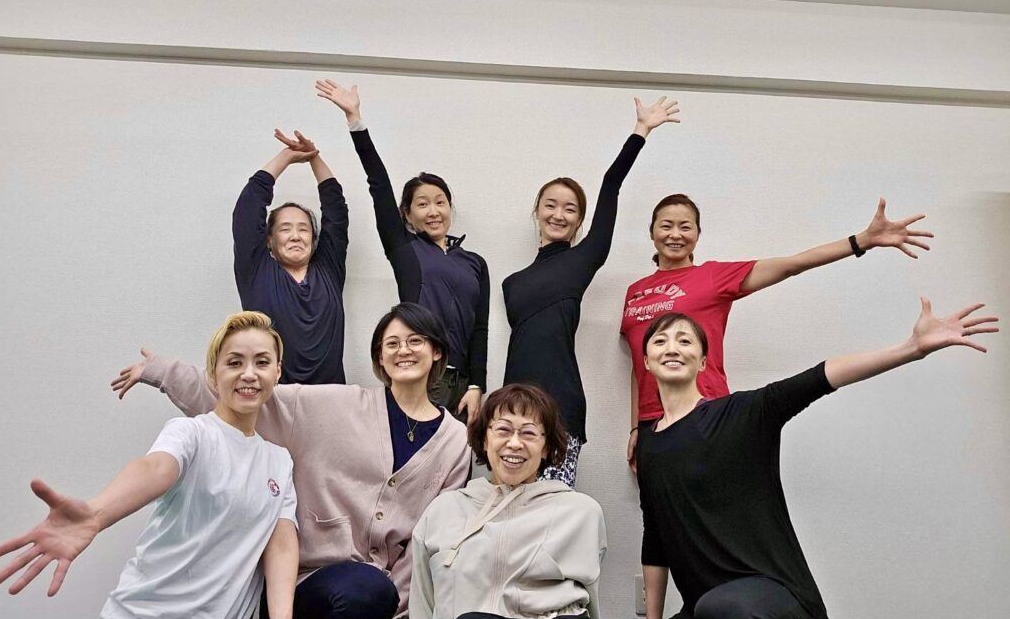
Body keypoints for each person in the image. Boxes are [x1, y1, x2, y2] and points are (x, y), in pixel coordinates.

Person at [634, 300, 998, 619]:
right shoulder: (648, 445)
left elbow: (820, 377)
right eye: (660, 341)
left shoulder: (740, 415)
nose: (673, 348)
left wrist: (911, 348)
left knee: (724, 612)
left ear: (703, 361)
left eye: (685, 341)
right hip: (703, 613)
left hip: (780, 606)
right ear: (647, 361)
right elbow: (656, 538)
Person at [112, 302, 471, 619]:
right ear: (380, 356)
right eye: (392, 343)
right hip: (307, 579)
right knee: (364, 590)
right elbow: (251, 394)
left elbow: (429, 539)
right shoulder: (336, 404)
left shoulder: (456, 441)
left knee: (373, 593)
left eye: (415, 341)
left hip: (382, 592)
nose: (403, 351)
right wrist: (163, 371)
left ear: (437, 351)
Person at [0, 312, 308, 619]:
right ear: (213, 373)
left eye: (262, 362)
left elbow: (281, 545)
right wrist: (96, 513)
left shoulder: (279, 461)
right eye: (234, 362)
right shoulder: (191, 433)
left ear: (277, 372)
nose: (249, 373)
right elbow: (155, 469)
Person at [623, 194, 934, 471]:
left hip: (706, 413)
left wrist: (861, 241)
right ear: (652, 232)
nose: (675, 234)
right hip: (653, 425)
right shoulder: (635, 292)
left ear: (698, 234)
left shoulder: (713, 277)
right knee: (658, 508)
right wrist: (636, 426)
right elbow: (639, 362)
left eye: (685, 227)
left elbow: (793, 265)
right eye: (666, 226)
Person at [503, 96, 680, 486]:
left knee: (552, 512)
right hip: (511, 409)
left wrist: (641, 130)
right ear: (537, 211)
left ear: (580, 220)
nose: (558, 214)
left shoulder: (582, 259)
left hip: (560, 409)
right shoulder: (510, 283)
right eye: (551, 205)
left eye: (570, 209)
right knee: (508, 510)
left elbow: (611, 184)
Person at [315, 79, 488, 424]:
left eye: (440, 202)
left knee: (459, 458)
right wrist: (355, 120)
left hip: (462, 387)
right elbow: (378, 184)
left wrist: (477, 385)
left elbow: (480, 329)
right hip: (421, 378)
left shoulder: (475, 263)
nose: (433, 211)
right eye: (422, 204)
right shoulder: (405, 249)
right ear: (407, 215)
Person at [410, 383, 619, 619]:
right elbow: (427, 617)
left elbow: (590, 602)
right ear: (485, 439)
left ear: (546, 447)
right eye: (503, 430)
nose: (515, 443)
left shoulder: (580, 511)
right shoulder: (443, 512)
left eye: (529, 433)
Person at [233, 128, 348, 384]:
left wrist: (314, 156)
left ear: (314, 239)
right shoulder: (257, 272)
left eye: (303, 229)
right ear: (269, 240)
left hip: (331, 397)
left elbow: (336, 210)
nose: (295, 236)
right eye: (285, 229)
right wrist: (286, 156)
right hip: (273, 397)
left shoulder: (328, 269)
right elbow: (248, 208)